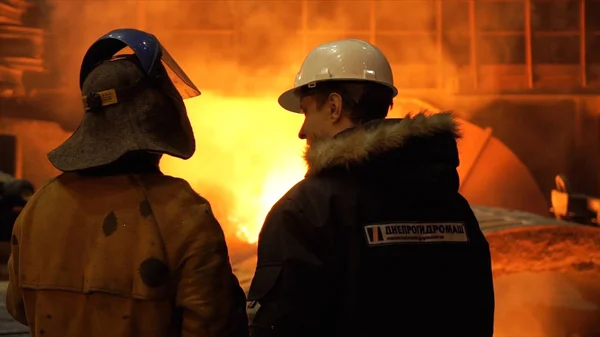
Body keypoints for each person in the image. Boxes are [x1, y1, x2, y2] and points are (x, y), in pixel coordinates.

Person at [5, 28, 248, 337]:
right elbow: (214, 325)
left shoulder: (39, 206)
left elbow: (18, 307)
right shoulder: (183, 213)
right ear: (155, 115)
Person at [247, 39, 495, 337]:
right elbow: (478, 316)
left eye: (306, 112)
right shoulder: (455, 208)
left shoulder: (305, 210)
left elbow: (281, 327)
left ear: (334, 107)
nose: (302, 132)